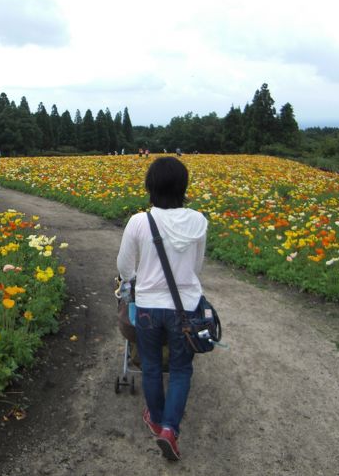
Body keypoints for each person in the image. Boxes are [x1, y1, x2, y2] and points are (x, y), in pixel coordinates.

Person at [116, 157, 208, 461]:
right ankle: (170, 429)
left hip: (149, 307)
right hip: (187, 307)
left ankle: (155, 418)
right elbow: (196, 267)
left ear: (150, 186)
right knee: (181, 369)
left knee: (152, 366)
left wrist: (136, 279)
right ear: (183, 186)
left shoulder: (139, 221)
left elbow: (125, 268)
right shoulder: (198, 221)